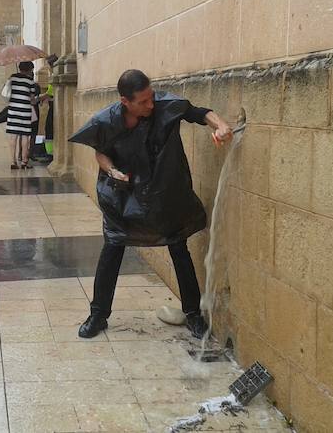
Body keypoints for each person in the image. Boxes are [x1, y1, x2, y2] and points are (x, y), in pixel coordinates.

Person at [69, 69, 233, 339]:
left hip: (163, 192)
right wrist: (113, 172)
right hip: (123, 195)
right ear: (125, 102)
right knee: (112, 249)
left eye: (151, 97)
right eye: (143, 102)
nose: (150, 105)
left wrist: (220, 125)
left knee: (178, 247)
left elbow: (199, 112)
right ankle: (98, 315)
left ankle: (193, 314)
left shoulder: (164, 107)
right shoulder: (106, 121)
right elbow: (101, 152)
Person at [5, 61, 37, 169]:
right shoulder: (30, 81)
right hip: (25, 111)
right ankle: (24, 162)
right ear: (29, 69)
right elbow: (32, 100)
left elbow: (7, 91)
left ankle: (12, 162)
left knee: (13, 136)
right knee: (25, 136)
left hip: (13, 110)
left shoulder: (12, 78)